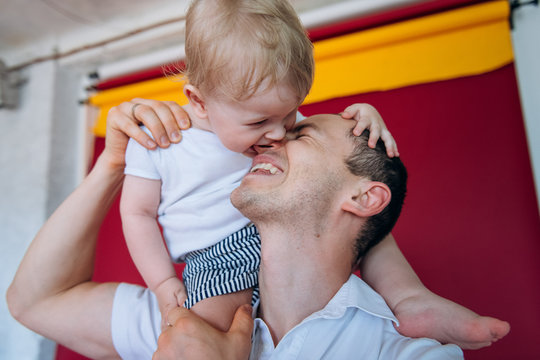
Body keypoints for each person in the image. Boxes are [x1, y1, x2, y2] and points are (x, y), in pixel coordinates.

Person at [6, 110, 509, 360]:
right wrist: (117, 162)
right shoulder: (188, 318)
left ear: (363, 198)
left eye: (301, 135)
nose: (269, 140)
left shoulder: (406, 353)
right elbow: (35, 301)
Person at [120, 0, 397, 333]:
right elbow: (137, 214)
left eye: (291, 112)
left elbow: (336, 143)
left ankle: (409, 298)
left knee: (364, 224)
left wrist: (364, 116)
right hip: (216, 256)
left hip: (291, 234)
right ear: (199, 102)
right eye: (260, 121)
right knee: (207, 333)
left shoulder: (270, 116)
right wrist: (163, 282)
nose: (280, 133)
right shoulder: (158, 139)